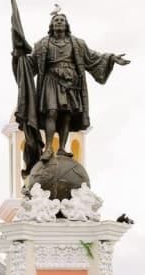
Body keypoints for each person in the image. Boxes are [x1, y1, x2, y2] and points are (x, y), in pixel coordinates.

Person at [15, 10, 129, 163]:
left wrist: (111, 58)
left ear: (67, 24)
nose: (59, 22)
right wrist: (20, 57)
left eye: (62, 20)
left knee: (66, 115)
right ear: (51, 25)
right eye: (56, 20)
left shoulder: (78, 44)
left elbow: (93, 58)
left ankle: (62, 147)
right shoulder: (42, 44)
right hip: (51, 80)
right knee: (52, 112)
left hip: (71, 82)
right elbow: (31, 64)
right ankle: (49, 147)